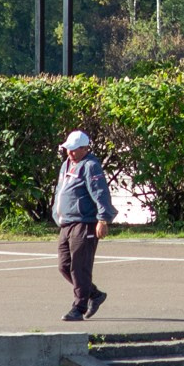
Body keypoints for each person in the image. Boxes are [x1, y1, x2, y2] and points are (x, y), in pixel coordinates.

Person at [52, 129, 114, 320]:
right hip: (66, 223)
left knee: (80, 267)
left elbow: (100, 193)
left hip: (84, 223)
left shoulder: (90, 166)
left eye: (74, 149)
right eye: (68, 149)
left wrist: (103, 219)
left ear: (85, 148)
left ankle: (78, 307)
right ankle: (94, 294)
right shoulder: (66, 164)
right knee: (64, 266)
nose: (70, 152)